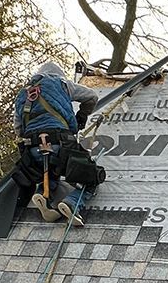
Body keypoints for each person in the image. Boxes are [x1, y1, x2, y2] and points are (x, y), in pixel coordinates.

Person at [11, 60, 101, 226]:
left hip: (33, 149)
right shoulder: (62, 84)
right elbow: (92, 97)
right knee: (92, 177)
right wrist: (81, 117)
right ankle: (72, 203)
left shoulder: (22, 95)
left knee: (52, 173)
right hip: (61, 143)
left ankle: (43, 197)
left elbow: (18, 129)